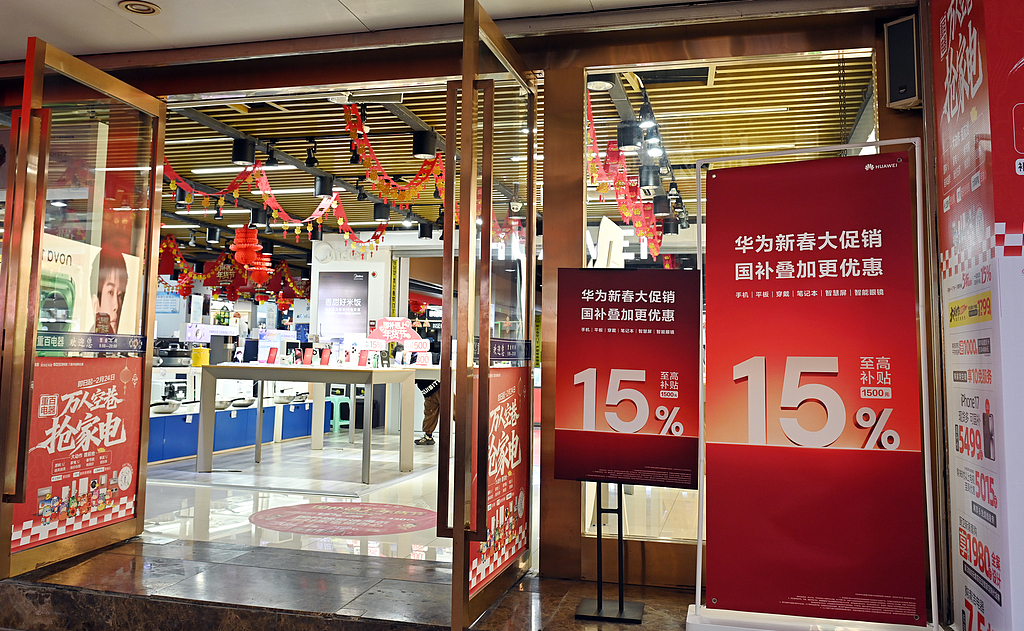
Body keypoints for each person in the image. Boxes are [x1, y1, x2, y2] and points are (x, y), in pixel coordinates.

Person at [90, 248, 128, 334]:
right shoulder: (87, 344)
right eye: (110, 292)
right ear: (95, 303)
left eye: (120, 295)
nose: (116, 306)